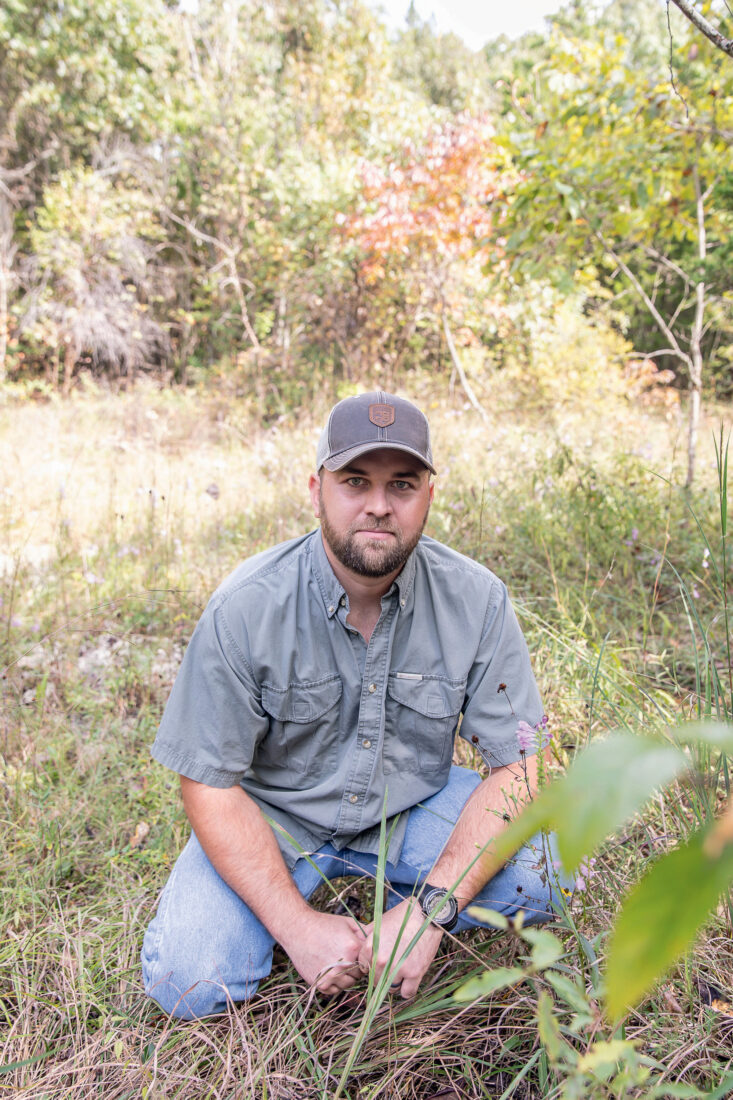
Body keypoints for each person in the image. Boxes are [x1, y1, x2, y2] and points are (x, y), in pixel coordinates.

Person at [142, 391, 562, 1020]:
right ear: (316, 490)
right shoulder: (246, 608)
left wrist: (431, 910)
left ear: (427, 495)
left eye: (402, 484)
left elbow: (521, 766)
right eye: (355, 481)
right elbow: (206, 781)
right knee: (190, 982)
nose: (378, 505)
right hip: (276, 819)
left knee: (545, 877)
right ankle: (308, 908)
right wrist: (297, 927)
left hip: (410, 804)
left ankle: (402, 900)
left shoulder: (477, 601)